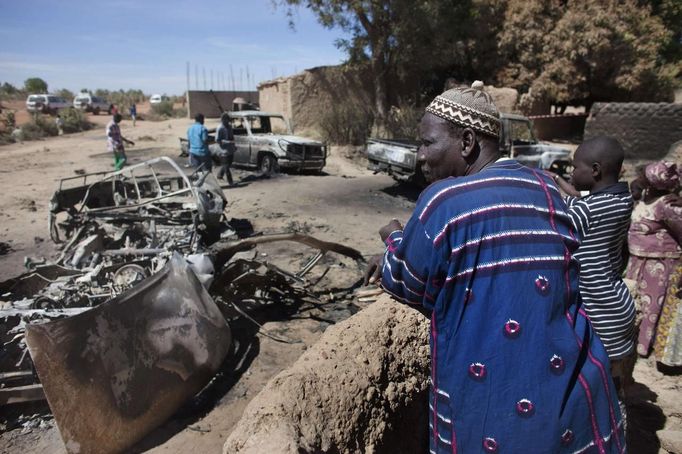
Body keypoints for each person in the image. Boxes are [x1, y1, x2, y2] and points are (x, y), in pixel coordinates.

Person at [365, 82, 624, 453]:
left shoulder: (443, 200)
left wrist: (393, 238)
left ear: (467, 142)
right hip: (574, 391)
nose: (419, 155)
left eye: (427, 142)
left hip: (494, 413)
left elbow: (407, 281)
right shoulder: (547, 187)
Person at [554, 138, 637, 403]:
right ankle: (618, 433)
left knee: (592, 391)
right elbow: (581, 199)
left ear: (596, 170)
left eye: (574, 167)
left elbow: (560, 216)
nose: (571, 173)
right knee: (612, 385)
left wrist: (546, 187)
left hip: (596, 312)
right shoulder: (623, 200)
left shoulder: (584, 211)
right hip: (617, 308)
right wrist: (560, 181)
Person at [625, 161, 682, 363]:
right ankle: (632, 343)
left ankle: (644, 348)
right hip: (638, 261)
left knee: (651, 306)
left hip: (660, 264)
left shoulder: (668, 205)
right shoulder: (644, 198)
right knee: (637, 303)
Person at [214, 112, 236, 185]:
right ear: (223, 120)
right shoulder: (220, 128)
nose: (227, 121)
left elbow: (232, 137)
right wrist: (227, 142)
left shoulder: (229, 127)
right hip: (223, 150)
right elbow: (217, 140)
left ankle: (220, 175)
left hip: (230, 149)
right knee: (226, 166)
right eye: (225, 120)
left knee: (228, 164)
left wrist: (234, 145)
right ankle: (231, 182)